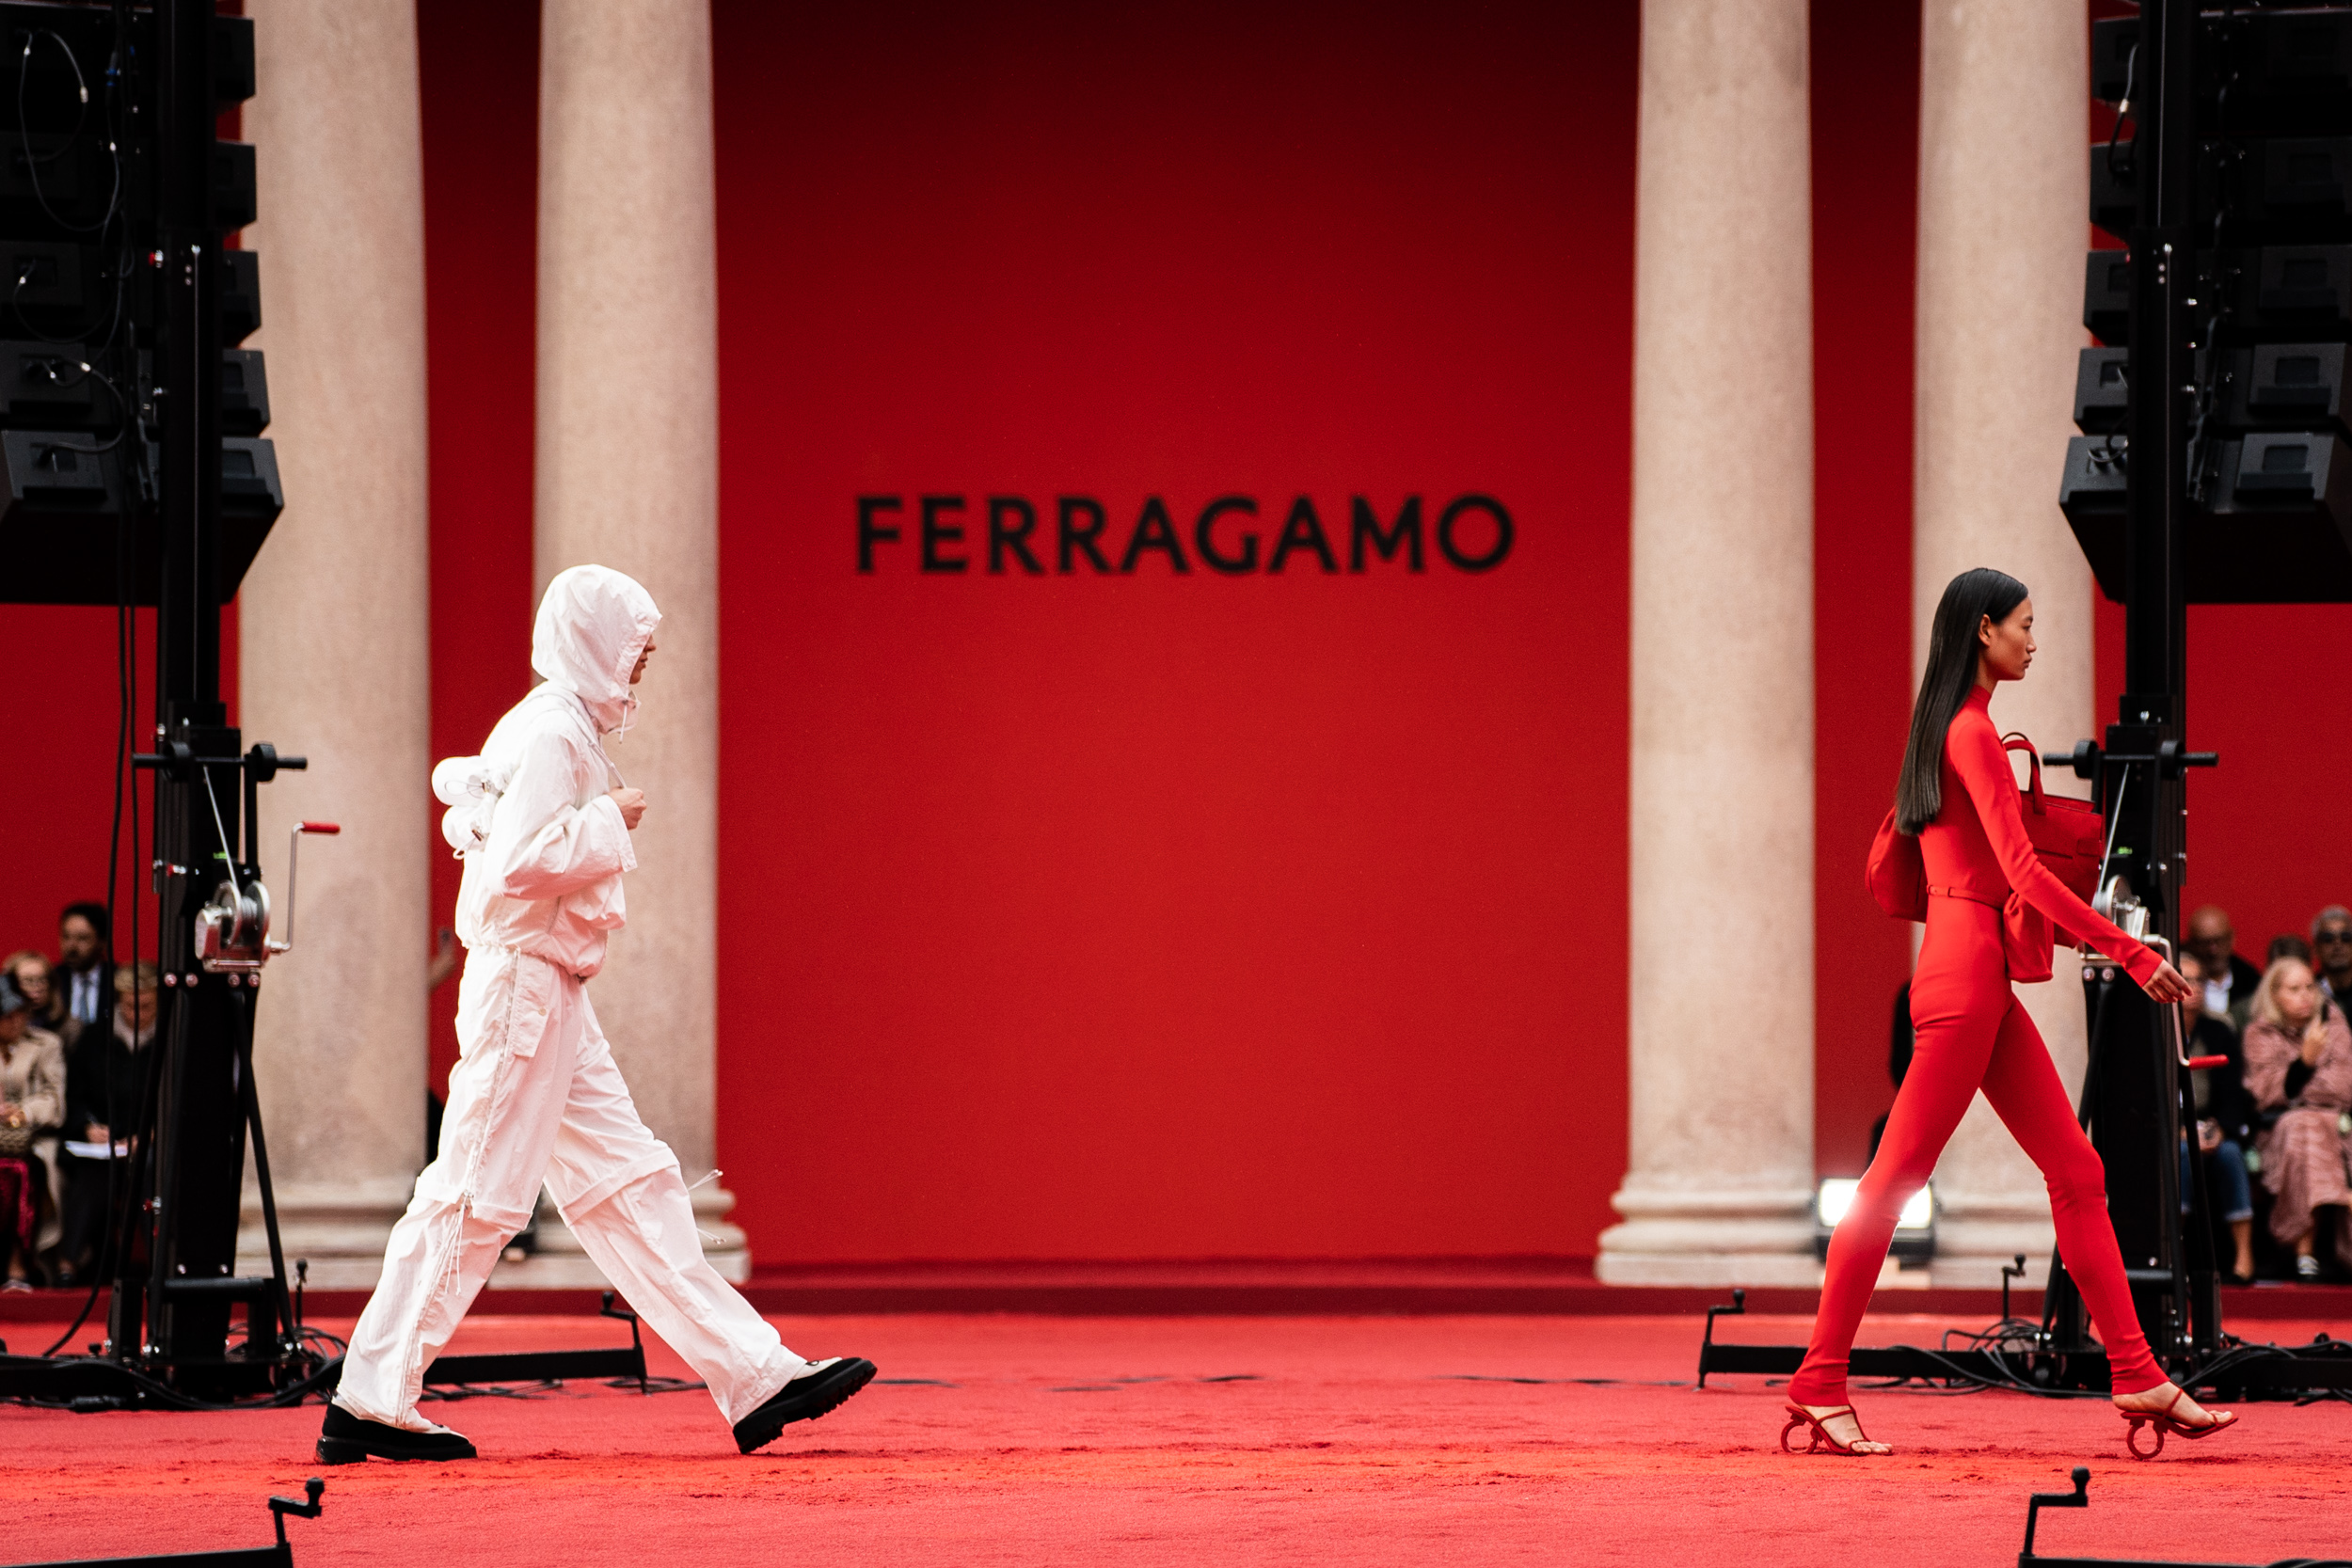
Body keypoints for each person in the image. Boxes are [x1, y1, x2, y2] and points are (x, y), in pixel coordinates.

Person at [324, 565, 875, 1465]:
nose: (644, 657)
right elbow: (518, 863)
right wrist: (611, 820)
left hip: (548, 988)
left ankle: (755, 1373)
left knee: (629, 1181)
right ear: (594, 641)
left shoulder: (551, 724)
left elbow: (481, 822)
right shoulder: (552, 730)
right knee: (475, 1192)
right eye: (635, 641)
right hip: (525, 985)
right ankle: (372, 1397)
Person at [1786, 568, 2232, 1457]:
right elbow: (2024, 871)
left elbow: (2000, 878)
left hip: (1972, 971)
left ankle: (2138, 1372)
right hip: (1966, 979)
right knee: (1891, 1183)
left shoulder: (1948, 728)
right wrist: (2131, 950)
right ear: (1984, 629)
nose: (2034, 639)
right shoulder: (1971, 731)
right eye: (2024, 624)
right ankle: (1819, 1380)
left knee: (2076, 1168)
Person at [2241, 957, 2352, 1280]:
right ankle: (2307, 1250)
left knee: (2309, 1125)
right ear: (2274, 995)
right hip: (2278, 1131)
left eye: (2309, 987)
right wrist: (2306, 1062)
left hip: (2339, 1127)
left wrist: (2295, 1086)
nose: (2305, 996)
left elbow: (2343, 1088)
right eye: (2294, 989)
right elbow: (2265, 1093)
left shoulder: (2335, 1026)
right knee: (2303, 1127)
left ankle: (2307, 1252)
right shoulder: (2259, 1033)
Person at [56, 962, 158, 1285]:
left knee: (148, 1168)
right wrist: (88, 1127)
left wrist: (152, 1135)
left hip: (151, 1140)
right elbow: (74, 1095)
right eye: (129, 1006)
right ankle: (68, 1262)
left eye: (146, 1006)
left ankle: (158, 1264)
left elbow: (181, 1099)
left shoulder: (170, 1038)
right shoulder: (95, 1037)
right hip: (103, 1138)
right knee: (94, 1171)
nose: (136, 1014)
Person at [2176, 952, 2257, 1284]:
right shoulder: (2154, 1031)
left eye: (2199, 980)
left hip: (2211, 1127)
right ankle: (2176, 1254)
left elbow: (2234, 1094)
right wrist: (2179, 1131)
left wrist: (2220, 1128)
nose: (2193, 987)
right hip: (2172, 1132)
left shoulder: (2218, 1031)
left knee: (2231, 1154)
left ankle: (2244, 1257)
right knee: (2182, 1154)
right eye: (2185, 979)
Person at [0, 976, 65, 1287]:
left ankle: (18, 1263)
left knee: (20, 1172)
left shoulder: (46, 1044)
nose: (16, 1020)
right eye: (7, 1015)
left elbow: (55, 1098)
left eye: (20, 1012)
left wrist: (24, 1112)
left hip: (32, 1138)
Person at [2185, 906, 2263, 1033]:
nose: (2213, 950)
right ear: (2192, 943)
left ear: (2232, 937)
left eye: (2219, 940)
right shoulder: (2177, 976)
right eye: (2205, 942)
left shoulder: (2251, 981)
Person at [54, 904, 109, 1031]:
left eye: (82, 938)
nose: (72, 946)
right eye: (66, 937)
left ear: (102, 941)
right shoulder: (53, 979)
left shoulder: (117, 979)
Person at [2311, 907, 2352, 1007]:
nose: (2338, 944)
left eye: (2345, 937)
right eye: (2328, 938)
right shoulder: (2308, 994)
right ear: (2316, 948)